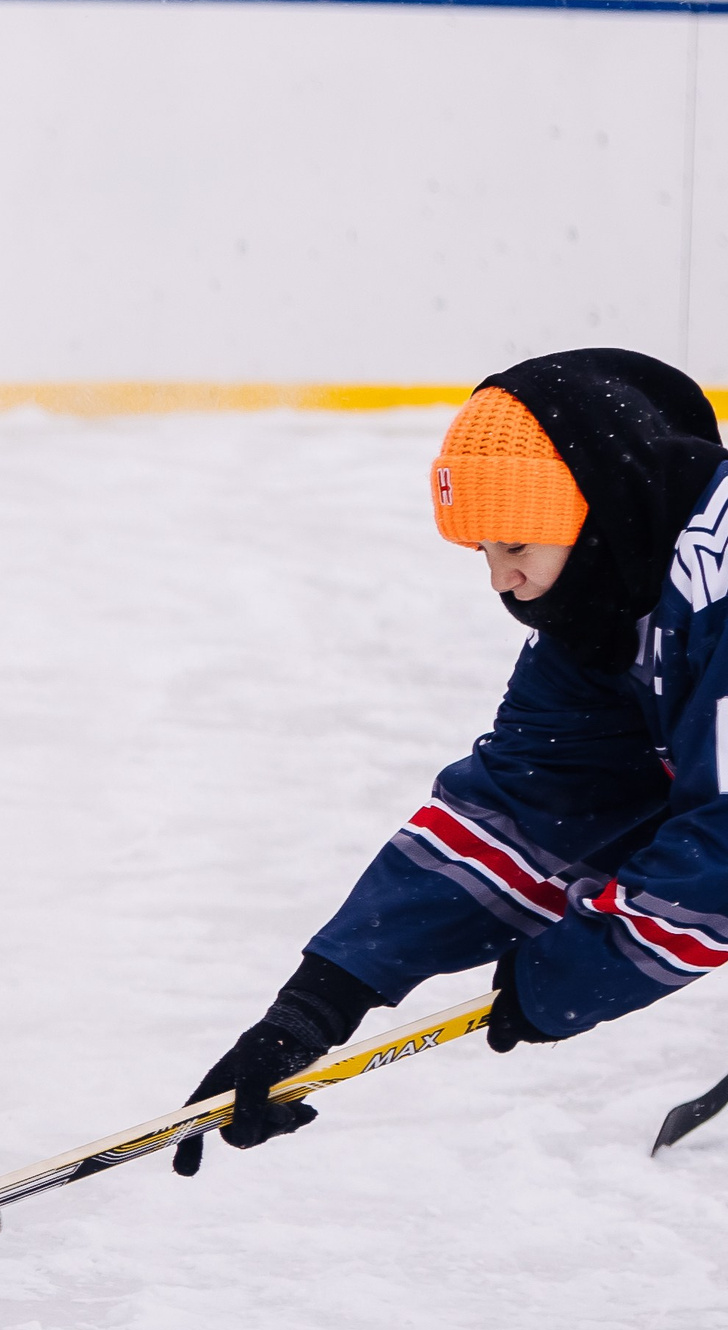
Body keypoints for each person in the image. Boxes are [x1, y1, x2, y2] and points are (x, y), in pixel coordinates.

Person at [174, 350, 728, 1176]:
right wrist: (318, 1002)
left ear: (597, 505)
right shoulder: (610, 605)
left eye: (516, 542)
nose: (504, 580)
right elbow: (524, 807)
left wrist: (568, 975)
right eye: (483, 551)